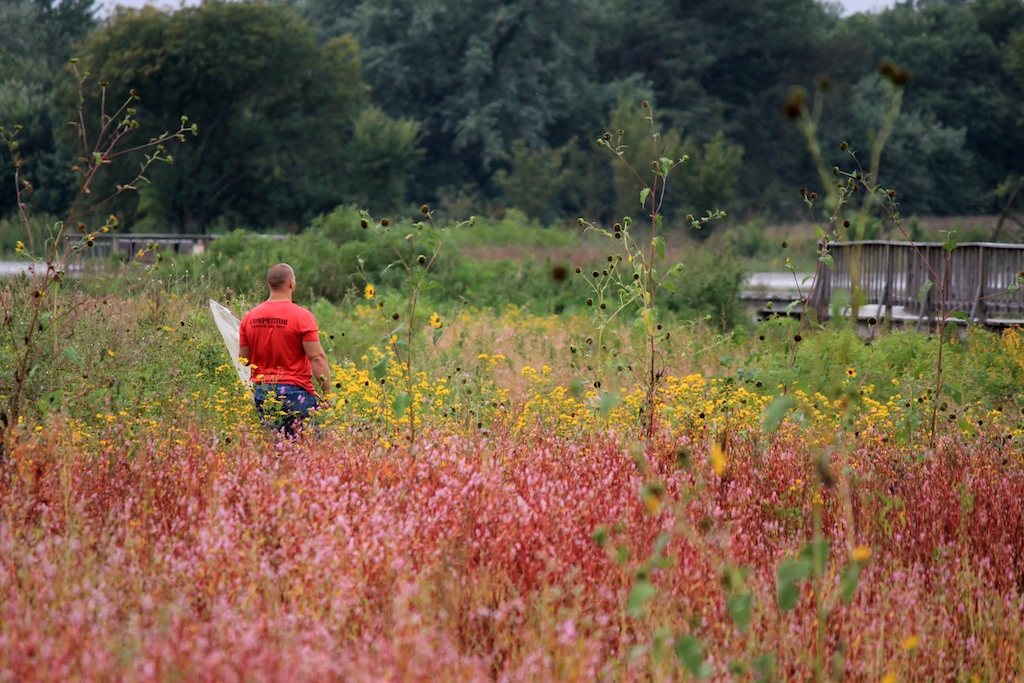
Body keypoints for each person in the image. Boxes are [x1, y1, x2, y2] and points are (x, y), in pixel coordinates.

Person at [238, 263, 330, 435]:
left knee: (274, 449)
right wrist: (327, 394)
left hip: (263, 393)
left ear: (268, 285)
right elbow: (317, 358)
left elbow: (244, 359)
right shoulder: (302, 317)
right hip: (296, 392)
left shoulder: (249, 318)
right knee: (305, 451)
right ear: (291, 284)